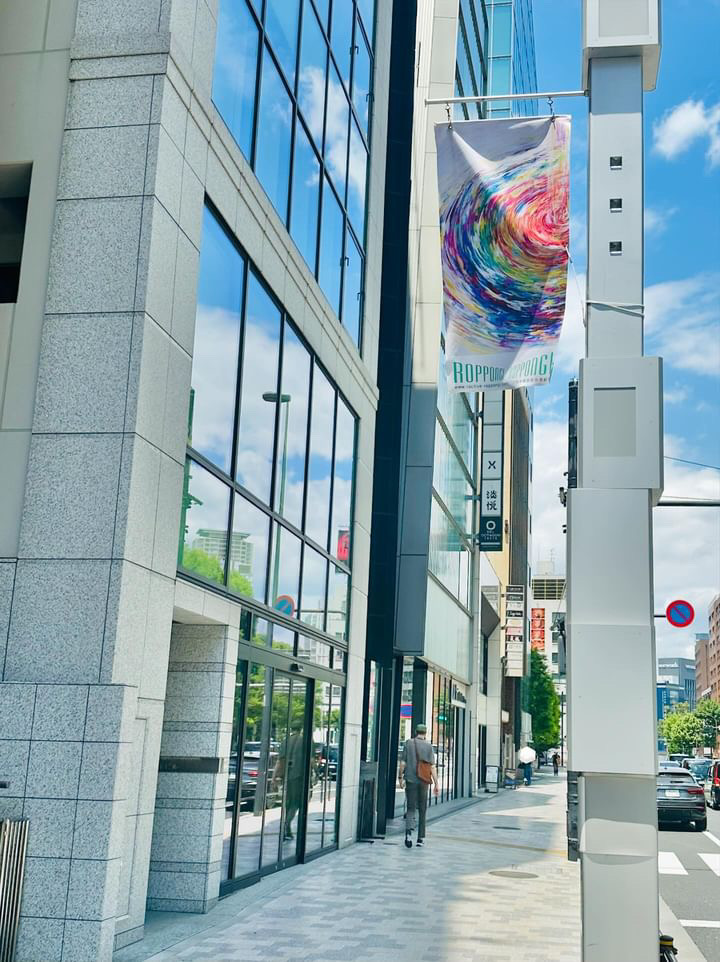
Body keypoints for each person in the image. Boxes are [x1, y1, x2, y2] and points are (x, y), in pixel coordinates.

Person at [398, 724, 439, 848]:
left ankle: (408, 834)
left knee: (410, 808)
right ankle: (420, 838)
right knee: (422, 809)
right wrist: (436, 783)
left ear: (416, 732)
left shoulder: (408, 743)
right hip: (424, 781)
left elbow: (403, 763)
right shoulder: (429, 746)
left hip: (411, 780)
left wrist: (400, 777)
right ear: (425, 733)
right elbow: (432, 767)